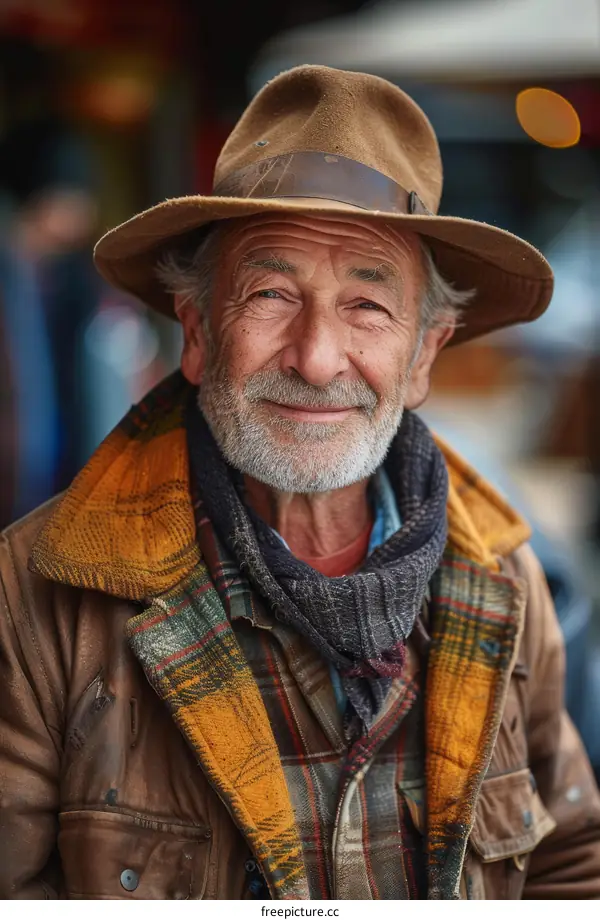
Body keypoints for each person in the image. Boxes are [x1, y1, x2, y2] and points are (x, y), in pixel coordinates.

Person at [0, 65, 599, 901]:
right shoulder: (37, 596)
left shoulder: (504, 576)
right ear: (200, 330)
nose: (317, 360)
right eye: (272, 293)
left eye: (367, 306)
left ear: (424, 354)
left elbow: (573, 865)